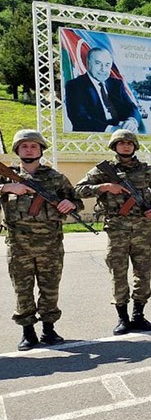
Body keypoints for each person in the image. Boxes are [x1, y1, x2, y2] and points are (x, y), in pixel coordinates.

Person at [75, 129, 151, 335]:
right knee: (118, 272)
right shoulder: (103, 170)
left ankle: (139, 315)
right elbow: (78, 189)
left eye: (129, 143)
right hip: (117, 229)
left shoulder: (147, 170)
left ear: (135, 146)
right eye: (121, 143)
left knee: (143, 272)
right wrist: (105, 187)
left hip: (143, 229)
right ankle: (122, 318)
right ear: (114, 147)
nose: (126, 146)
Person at [1, 130, 82, 351]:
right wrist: (6, 187)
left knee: (50, 288)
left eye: (33, 146)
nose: (29, 150)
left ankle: (49, 329)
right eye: (24, 146)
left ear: (40, 150)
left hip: (51, 245)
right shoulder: (6, 175)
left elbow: (77, 201)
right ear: (17, 150)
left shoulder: (56, 178)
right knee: (23, 290)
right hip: (19, 246)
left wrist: (71, 205)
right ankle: (28, 332)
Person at [64, 47, 141, 133]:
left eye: (107, 65)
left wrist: (132, 121)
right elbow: (79, 118)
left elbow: (132, 107)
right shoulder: (75, 85)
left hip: (121, 130)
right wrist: (112, 129)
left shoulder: (116, 84)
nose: (103, 69)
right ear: (88, 63)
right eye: (98, 63)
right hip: (93, 136)